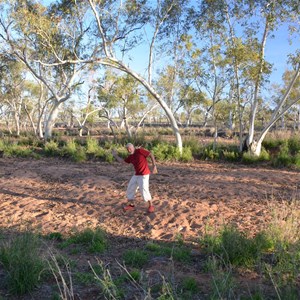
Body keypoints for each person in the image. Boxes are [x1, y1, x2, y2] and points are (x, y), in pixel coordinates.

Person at [112, 143, 158, 213]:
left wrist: (154, 166)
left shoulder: (139, 151)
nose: (129, 150)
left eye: (130, 148)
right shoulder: (130, 157)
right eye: (127, 149)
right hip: (137, 175)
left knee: (144, 190)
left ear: (133, 147)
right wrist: (115, 155)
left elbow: (150, 154)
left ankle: (151, 206)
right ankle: (131, 205)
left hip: (144, 174)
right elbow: (123, 162)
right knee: (130, 188)